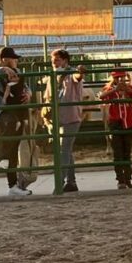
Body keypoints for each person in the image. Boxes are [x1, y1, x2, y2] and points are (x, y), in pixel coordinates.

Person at [0, 46, 33, 196]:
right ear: (4, 60)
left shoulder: (16, 71)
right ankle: (7, 170)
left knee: (14, 145)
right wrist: (3, 70)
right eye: (13, 58)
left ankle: (12, 184)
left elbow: (25, 85)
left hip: (16, 111)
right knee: (10, 138)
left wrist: (28, 93)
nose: (16, 61)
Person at [43, 49, 85, 193]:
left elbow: (77, 77)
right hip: (57, 117)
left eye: (57, 60)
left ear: (65, 60)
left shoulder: (70, 74)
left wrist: (80, 72)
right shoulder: (51, 76)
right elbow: (47, 97)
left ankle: (59, 183)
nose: (54, 62)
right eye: (53, 60)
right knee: (66, 149)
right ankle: (71, 182)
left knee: (64, 149)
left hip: (71, 116)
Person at [99, 70, 132, 189]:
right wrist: (115, 89)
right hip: (116, 122)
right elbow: (101, 96)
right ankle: (120, 179)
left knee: (127, 151)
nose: (120, 80)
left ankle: (128, 179)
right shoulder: (109, 89)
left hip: (128, 122)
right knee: (118, 152)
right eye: (117, 78)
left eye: (122, 78)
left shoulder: (129, 88)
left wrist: (128, 90)